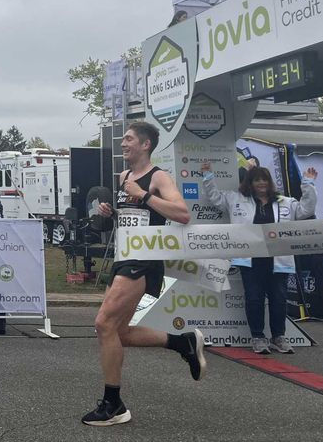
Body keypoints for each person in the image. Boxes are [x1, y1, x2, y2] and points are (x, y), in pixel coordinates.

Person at [83, 121, 205, 427]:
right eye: (123, 139)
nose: (123, 144)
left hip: (145, 259)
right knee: (119, 333)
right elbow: (134, 218)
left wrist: (144, 195)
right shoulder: (123, 176)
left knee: (103, 323)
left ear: (145, 144)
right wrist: (114, 215)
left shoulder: (157, 176)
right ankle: (183, 343)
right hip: (124, 257)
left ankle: (113, 404)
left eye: (128, 139)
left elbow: (182, 214)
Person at [200, 160, 318, 354]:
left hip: (278, 260)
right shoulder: (237, 199)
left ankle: (278, 337)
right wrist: (208, 177)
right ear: (250, 183)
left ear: (270, 182)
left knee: (278, 300)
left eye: (264, 180)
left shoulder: (284, 201)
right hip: (250, 260)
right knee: (254, 299)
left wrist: (308, 184)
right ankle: (258, 337)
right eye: (257, 180)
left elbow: (307, 210)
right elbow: (215, 198)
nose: (261, 183)